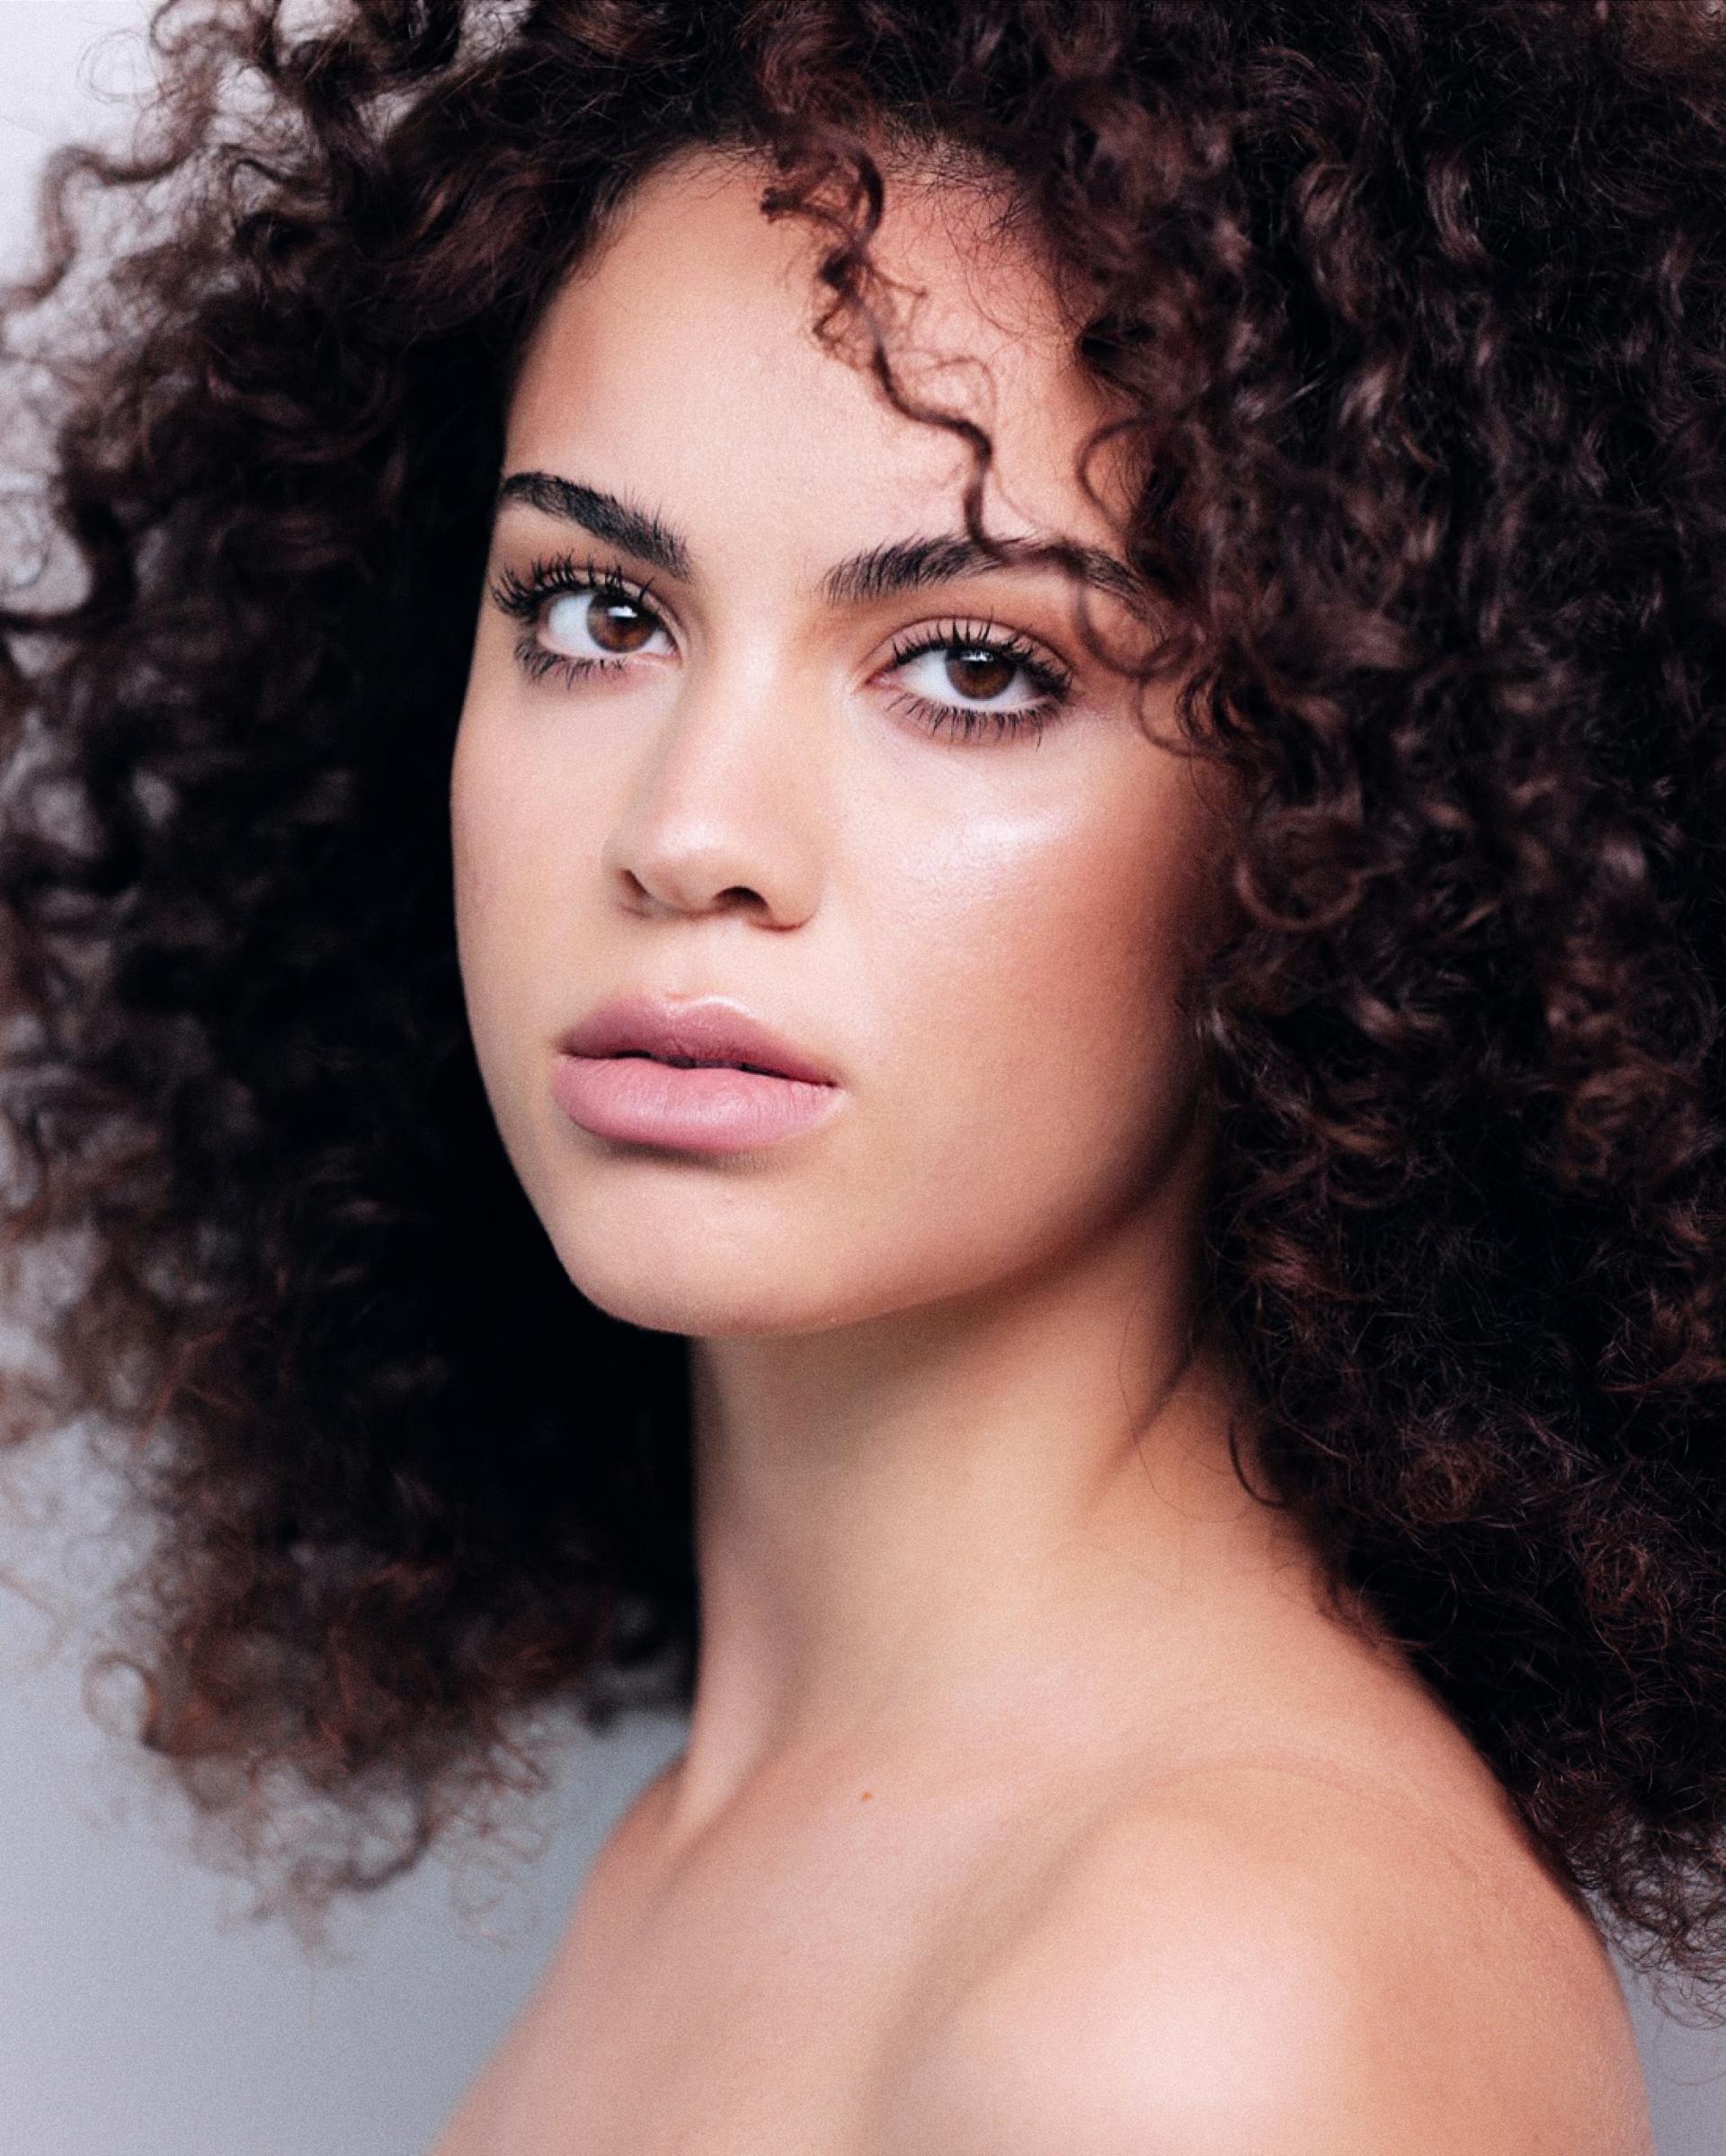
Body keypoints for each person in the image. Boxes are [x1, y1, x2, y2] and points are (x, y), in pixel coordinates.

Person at [2, 0, 1722, 2145]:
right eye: (596, 613)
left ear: (1353, 834)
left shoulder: (1215, 1998)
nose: (690, 830)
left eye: (976, 665)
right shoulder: (740, 1852)